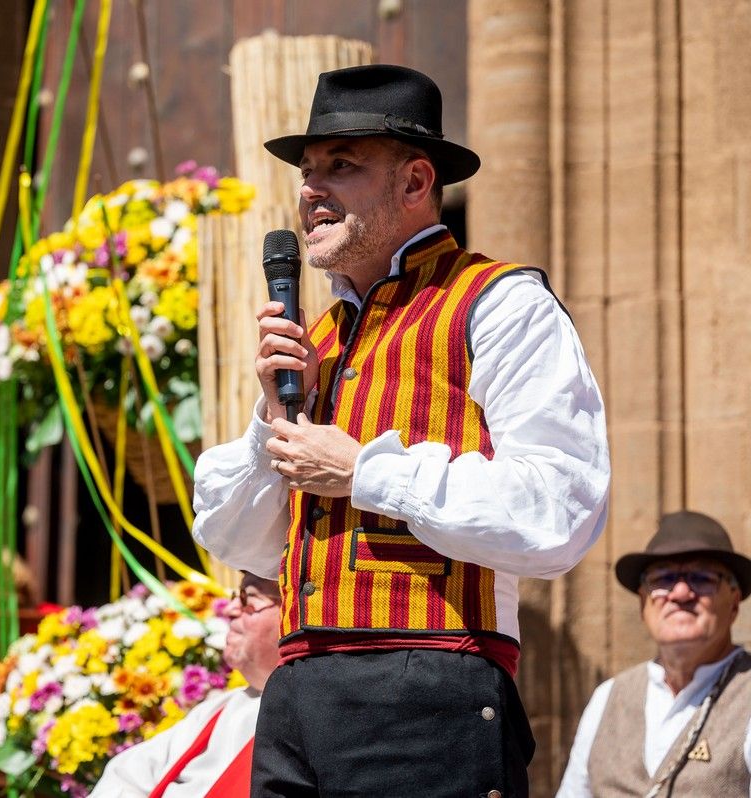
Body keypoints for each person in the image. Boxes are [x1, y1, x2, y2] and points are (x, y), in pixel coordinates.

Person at [191, 64, 611, 796]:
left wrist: (365, 472)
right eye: (307, 170)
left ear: (417, 182)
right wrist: (273, 423)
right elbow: (239, 542)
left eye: (341, 165)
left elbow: (560, 511)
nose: (310, 190)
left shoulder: (499, 304)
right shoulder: (316, 336)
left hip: (427, 689)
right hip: (294, 696)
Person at [557, 511, 751, 796]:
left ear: (734, 603)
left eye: (702, 577)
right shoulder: (607, 697)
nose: (681, 593)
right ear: (643, 605)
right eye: (663, 579)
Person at [90, 572, 281, 798]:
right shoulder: (220, 707)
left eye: (247, 598)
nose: (229, 609)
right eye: (235, 595)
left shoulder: (308, 723)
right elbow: (125, 776)